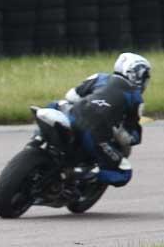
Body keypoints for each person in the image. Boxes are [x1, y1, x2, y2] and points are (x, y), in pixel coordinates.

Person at [59, 52, 151, 186]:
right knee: (124, 173)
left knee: (55, 104)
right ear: (132, 73)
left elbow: (71, 96)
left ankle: (38, 142)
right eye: (143, 76)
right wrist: (121, 133)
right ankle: (80, 173)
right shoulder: (135, 98)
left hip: (72, 115)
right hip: (95, 134)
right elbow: (130, 136)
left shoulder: (99, 77)